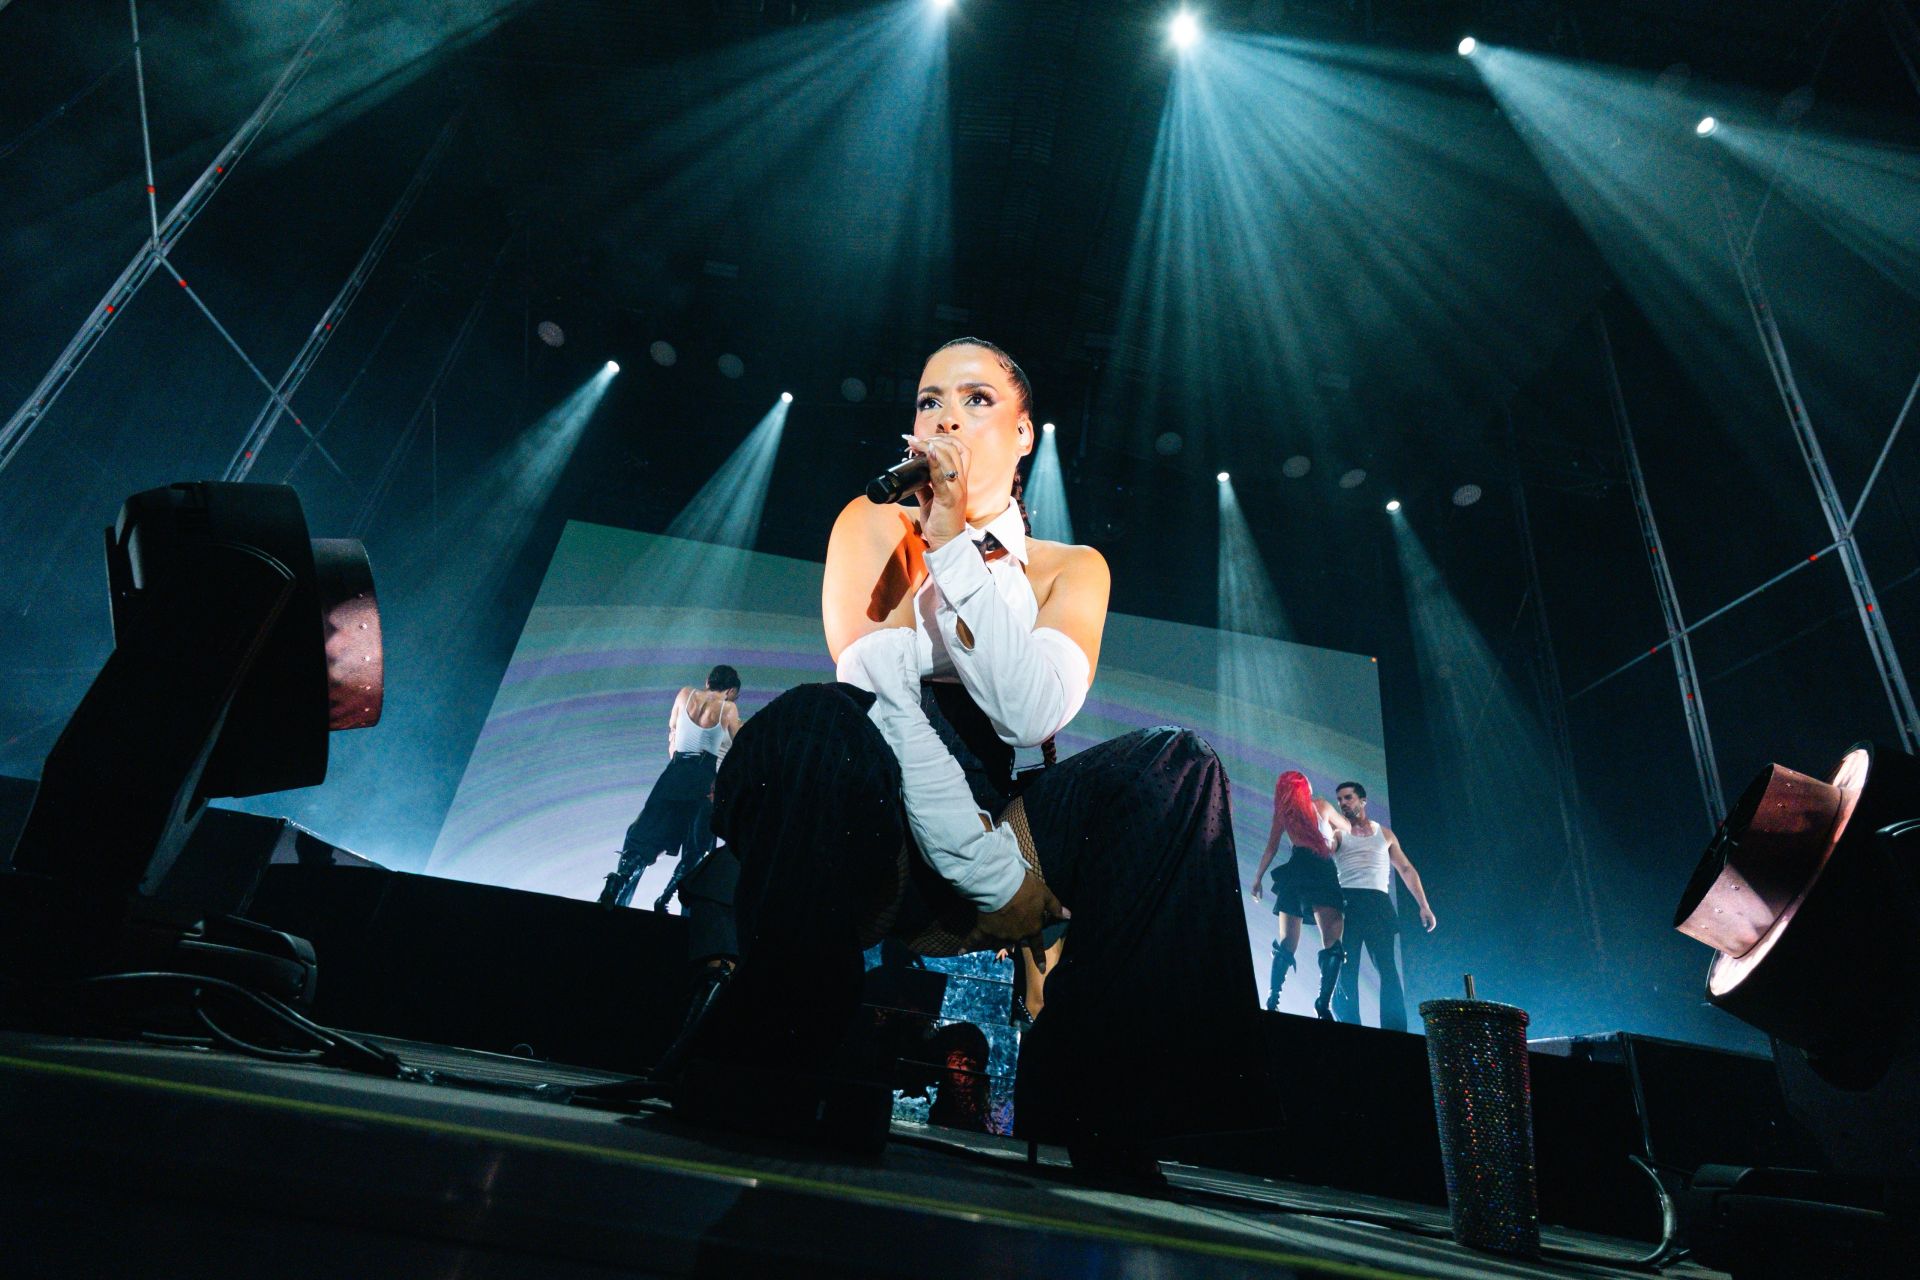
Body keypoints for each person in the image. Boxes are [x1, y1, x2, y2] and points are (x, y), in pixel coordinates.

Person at [680, 338, 1258, 1176]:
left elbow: (1028, 709)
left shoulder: (1071, 569)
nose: (947, 416)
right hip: (875, 819)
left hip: (1009, 816)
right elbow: (878, 687)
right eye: (928, 401)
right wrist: (980, 863)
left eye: (978, 400)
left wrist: (955, 546)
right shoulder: (872, 522)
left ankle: (1111, 1105)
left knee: (1178, 766)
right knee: (812, 718)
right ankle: (782, 1046)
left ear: (1025, 435)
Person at [597, 666, 742, 909]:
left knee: (646, 834)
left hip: (674, 772)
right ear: (730, 690)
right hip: (703, 777)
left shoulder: (685, 694)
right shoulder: (727, 708)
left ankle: (617, 880)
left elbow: (673, 730)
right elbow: (739, 748)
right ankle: (665, 898)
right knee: (697, 848)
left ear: (707, 680)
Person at [1329, 780, 1436, 1032]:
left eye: (1348, 798)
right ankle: (1348, 1028)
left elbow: (1406, 869)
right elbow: (1325, 851)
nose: (1343, 803)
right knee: (1346, 968)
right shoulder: (1338, 832)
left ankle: (1395, 1030)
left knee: (1387, 967)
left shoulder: (1384, 833)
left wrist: (1424, 905)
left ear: (1362, 801)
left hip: (1378, 904)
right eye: (1340, 800)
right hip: (1348, 902)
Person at [1248, 771, 1351, 1017]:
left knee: (1287, 943)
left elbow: (1270, 849)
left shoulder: (1285, 814)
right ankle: (1323, 1005)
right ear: (1305, 787)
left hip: (1297, 870)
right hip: (1321, 868)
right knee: (1333, 944)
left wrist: (1258, 879)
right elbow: (1347, 827)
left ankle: (1273, 999)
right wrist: (1335, 835)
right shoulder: (1322, 806)